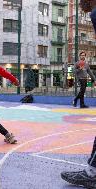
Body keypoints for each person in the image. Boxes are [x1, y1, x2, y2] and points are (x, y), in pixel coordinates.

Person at [61, 1, 96, 188]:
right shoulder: (78, 64)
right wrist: (73, 76)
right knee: (81, 93)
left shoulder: (87, 64)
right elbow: (73, 70)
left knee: (82, 93)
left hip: (85, 80)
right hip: (80, 79)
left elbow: (89, 73)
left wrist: (93, 79)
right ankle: (77, 102)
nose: (82, 57)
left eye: (83, 56)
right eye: (81, 55)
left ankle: (92, 172)